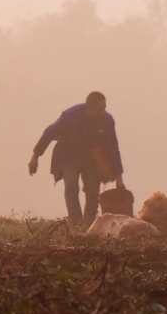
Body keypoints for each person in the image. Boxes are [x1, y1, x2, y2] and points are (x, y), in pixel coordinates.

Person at [28, 91, 124, 225]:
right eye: (100, 109)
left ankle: (89, 222)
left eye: (104, 108)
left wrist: (119, 177)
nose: (103, 112)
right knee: (71, 186)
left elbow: (113, 147)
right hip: (69, 156)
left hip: (91, 158)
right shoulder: (70, 116)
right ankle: (75, 221)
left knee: (92, 190)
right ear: (89, 107)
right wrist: (35, 157)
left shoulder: (107, 120)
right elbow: (49, 133)